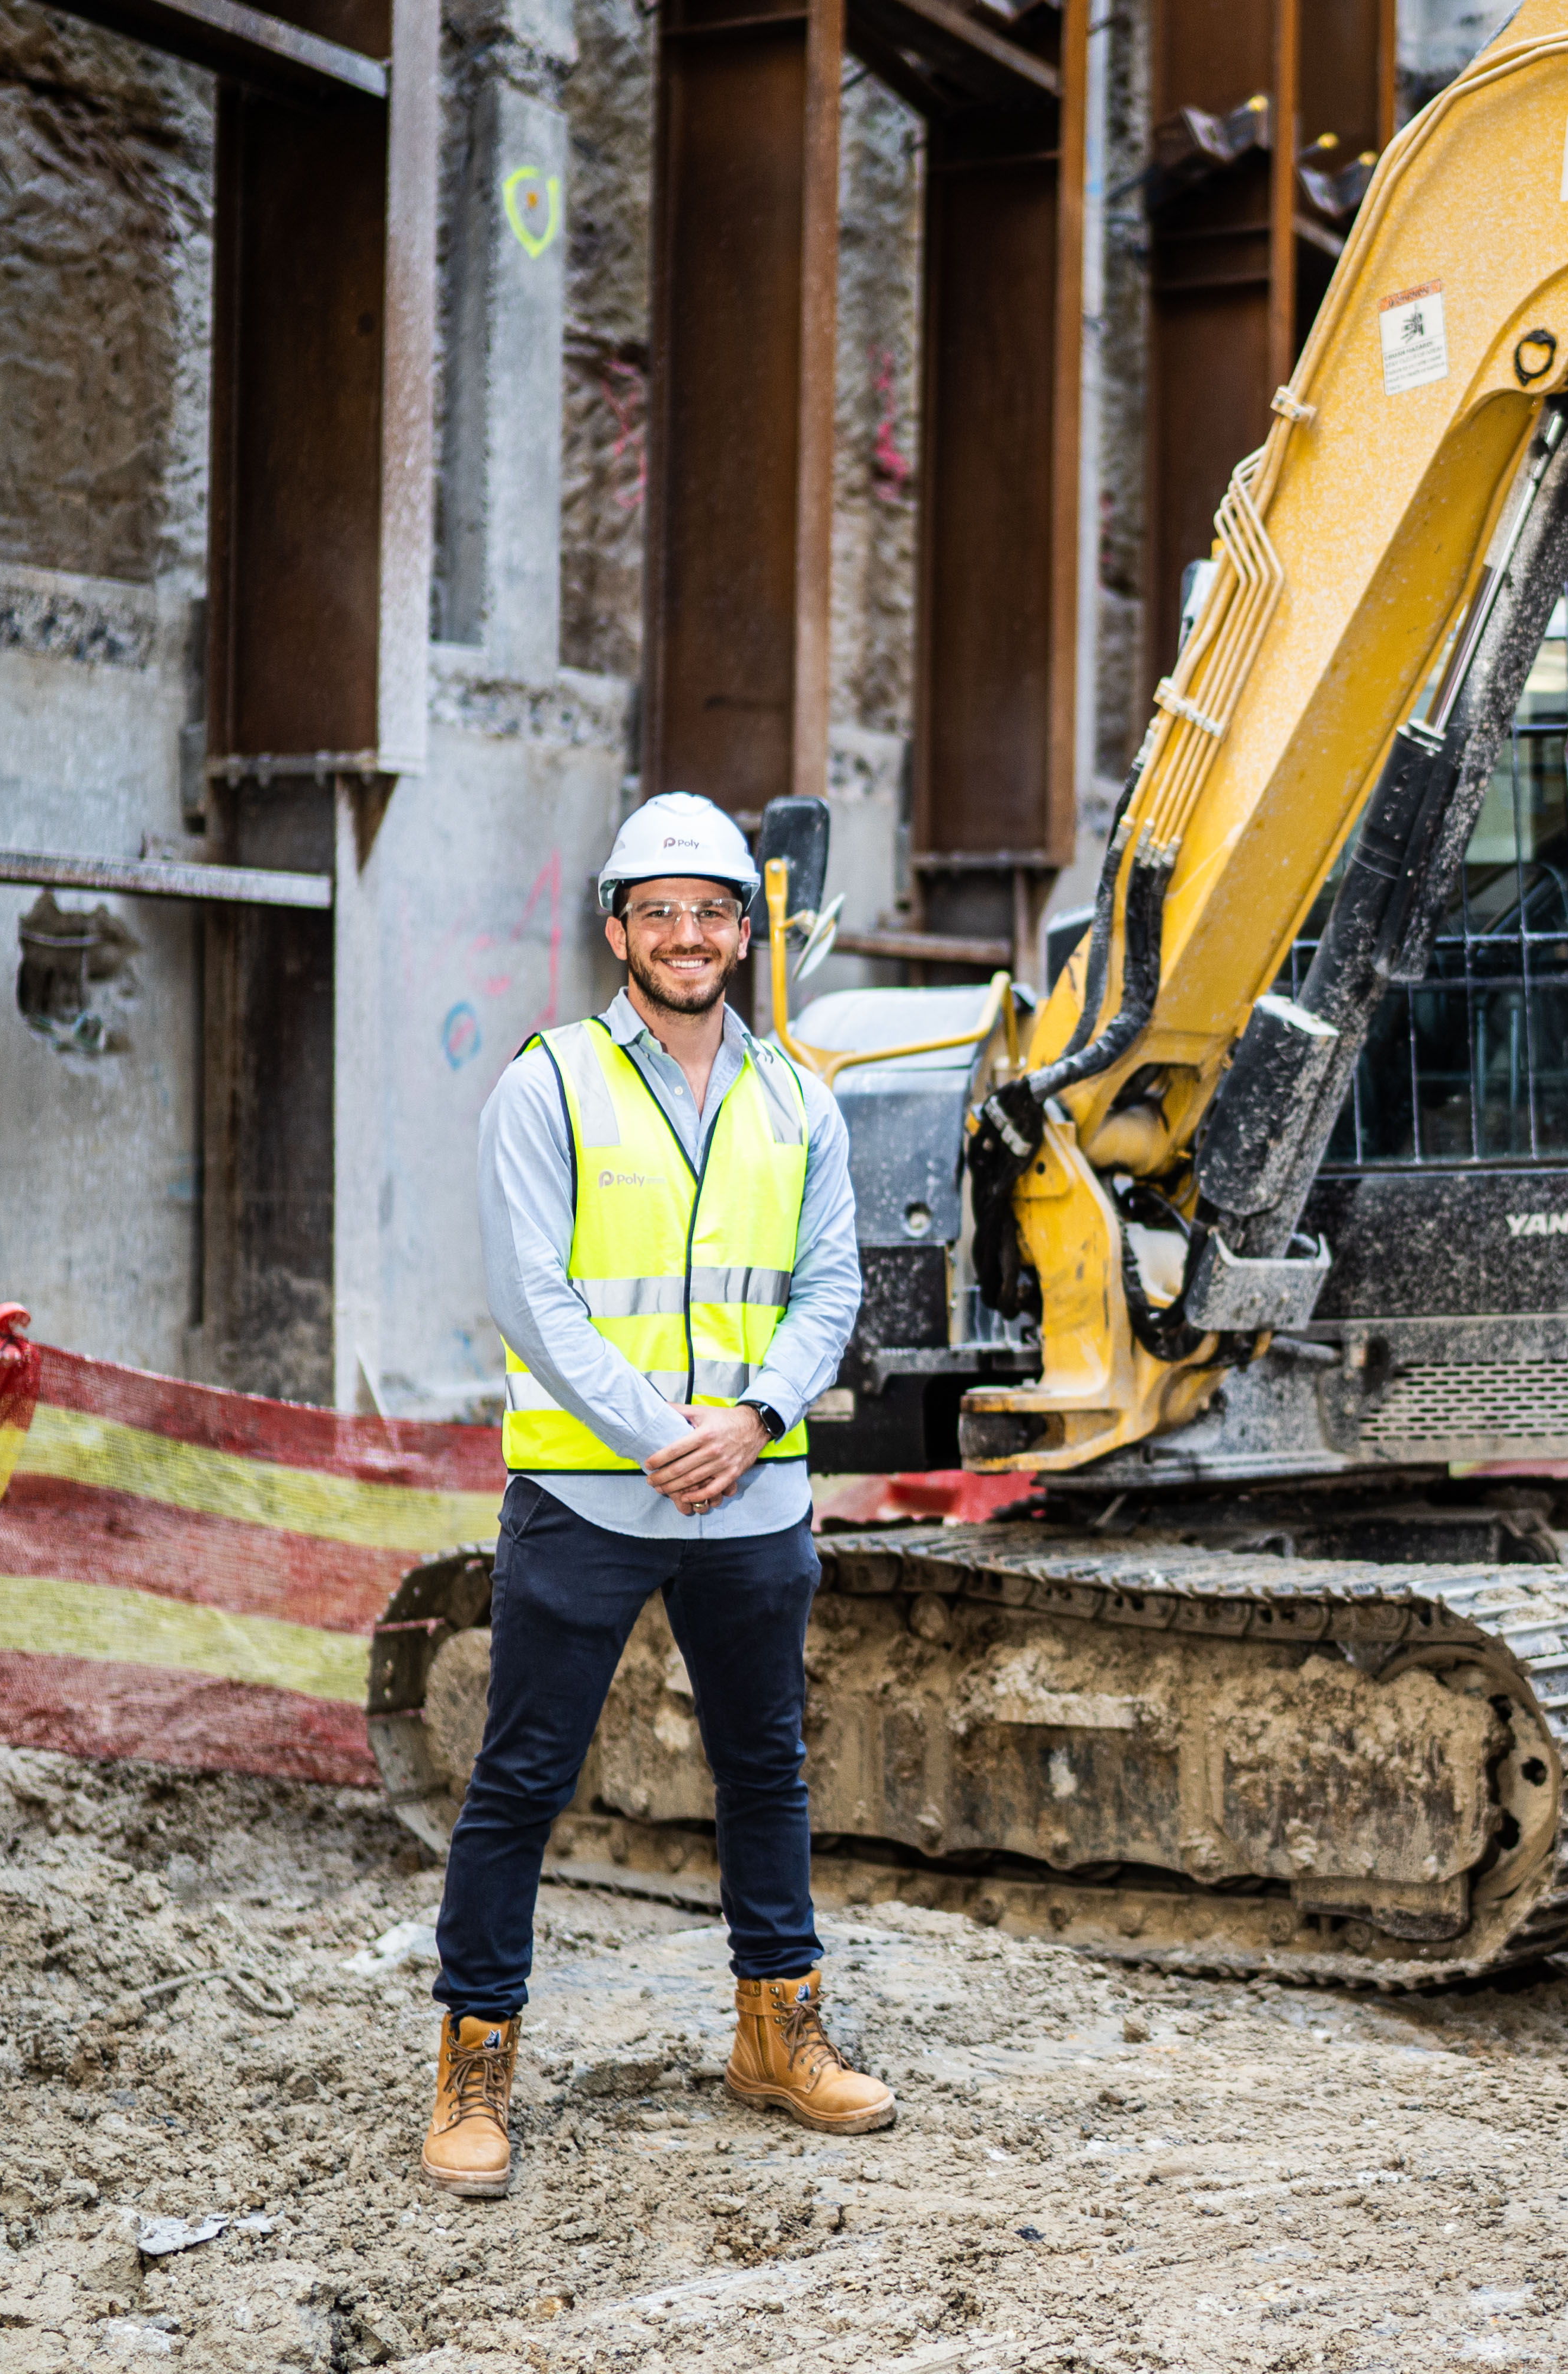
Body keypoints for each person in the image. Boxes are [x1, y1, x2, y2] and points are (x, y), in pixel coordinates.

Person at [423, 791, 888, 2200]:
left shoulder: (800, 1095)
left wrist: (749, 1422)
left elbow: (831, 1289)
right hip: (585, 1494)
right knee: (521, 1781)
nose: (688, 934)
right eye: (660, 910)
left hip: (752, 1494)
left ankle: (776, 2032)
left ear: (745, 934)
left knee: (768, 1775)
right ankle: (474, 2055)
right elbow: (533, 1294)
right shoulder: (548, 1082)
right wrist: (657, 1434)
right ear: (616, 928)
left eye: (713, 911)